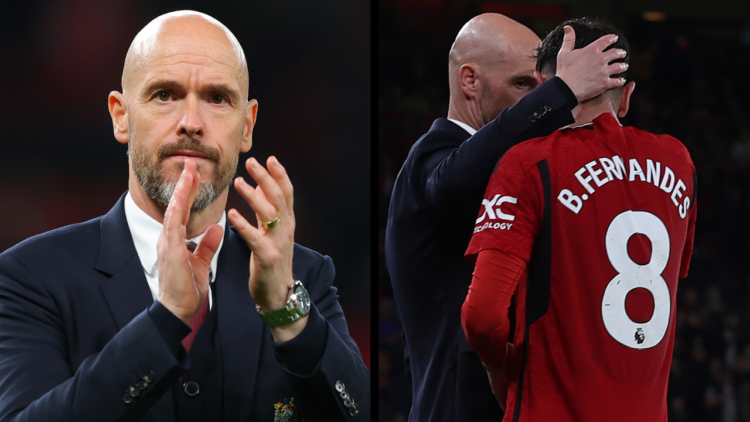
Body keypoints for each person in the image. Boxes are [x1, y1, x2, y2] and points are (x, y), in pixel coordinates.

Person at [0, 11, 369, 422]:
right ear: (121, 116)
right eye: (165, 94)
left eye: (217, 98)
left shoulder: (302, 277)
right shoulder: (31, 276)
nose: (191, 123)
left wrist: (287, 312)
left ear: (246, 127)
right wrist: (166, 319)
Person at [384, 13, 627, 421]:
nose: (538, 99)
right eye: (523, 85)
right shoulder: (431, 156)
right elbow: (454, 183)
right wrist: (563, 91)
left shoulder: (522, 170)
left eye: (541, 86)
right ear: (469, 81)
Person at [461, 18, 696, 422]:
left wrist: (498, 368)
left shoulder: (529, 163)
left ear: (544, 88)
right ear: (626, 98)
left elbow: (482, 317)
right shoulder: (679, 162)